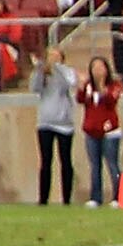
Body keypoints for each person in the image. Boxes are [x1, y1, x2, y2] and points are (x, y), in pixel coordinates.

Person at [32, 51, 81, 206]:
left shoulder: (67, 72)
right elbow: (35, 88)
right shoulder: (43, 73)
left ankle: (67, 199)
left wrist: (57, 68)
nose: (52, 59)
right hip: (45, 122)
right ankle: (43, 199)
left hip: (64, 123)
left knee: (65, 160)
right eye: (50, 56)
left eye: (56, 56)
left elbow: (70, 83)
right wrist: (41, 71)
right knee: (46, 161)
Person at [80, 55, 123, 206]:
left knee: (113, 164)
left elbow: (111, 100)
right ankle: (95, 197)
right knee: (95, 165)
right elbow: (81, 99)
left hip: (109, 131)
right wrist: (81, 87)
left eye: (100, 67)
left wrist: (101, 87)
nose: (97, 71)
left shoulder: (115, 85)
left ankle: (118, 197)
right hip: (91, 131)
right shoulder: (88, 86)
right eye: (94, 68)